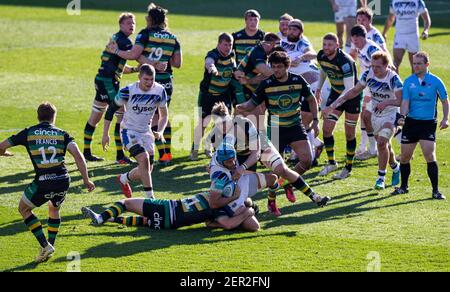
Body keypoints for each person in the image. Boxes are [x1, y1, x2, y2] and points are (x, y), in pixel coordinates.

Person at [0, 103, 95, 263]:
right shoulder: (63, 134)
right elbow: (79, 156)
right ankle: (49, 245)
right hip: (63, 180)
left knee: (23, 209)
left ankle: (45, 245)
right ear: (53, 117)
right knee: (54, 208)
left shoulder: (29, 132)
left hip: (43, 181)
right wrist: (86, 179)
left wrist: (5, 153)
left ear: (38, 117)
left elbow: (1, 147)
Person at [107, 3, 182, 166]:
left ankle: (145, 153)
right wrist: (161, 61)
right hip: (167, 82)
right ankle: (166, 154)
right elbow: (177, 63)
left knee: (149, 115)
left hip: (150, 80)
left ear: (151, 19)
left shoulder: (145, 34)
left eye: (148, 17)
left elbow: (134, 54)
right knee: (163, 115)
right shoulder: (173, 38)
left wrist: (117, 52)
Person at [324, 51, 402, 190]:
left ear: (387, 66)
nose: (374, 69)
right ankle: (395, 167)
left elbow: (400, 101)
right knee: (385, 145)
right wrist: (337, 102)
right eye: (372, 66)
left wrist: (386, 103)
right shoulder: (368, 74)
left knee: (382, 143)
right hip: (376, 114)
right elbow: (355, 91)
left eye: (378, 66)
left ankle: (380, 178)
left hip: (391, 114)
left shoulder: (393, 79)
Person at [392, 52, 448, 200]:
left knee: (429, 155)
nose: (415, 66)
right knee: (404, 157)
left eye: (419, 63)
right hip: (411, 123)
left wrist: (445, 119)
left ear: (427, 65)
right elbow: (405, 102)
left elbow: (445, 100)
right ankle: (404, 187)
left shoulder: (436, 81)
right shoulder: (409, 81)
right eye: (414, 63)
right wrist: (402, 117)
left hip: (428, 123)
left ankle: (435, 191)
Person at [83, 12, 138, 163]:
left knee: (96, 115)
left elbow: (121, 66)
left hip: (102, 79)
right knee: (121, 113)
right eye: (128, 23)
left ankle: (86, 152)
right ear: (120, 25)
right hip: (108, 82)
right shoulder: (125, 42)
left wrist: (136, 69)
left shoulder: (115, 39)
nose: (132, 25)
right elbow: (133, 55)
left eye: (133, 23)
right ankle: (120, 155)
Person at [114, 64, 169, 199]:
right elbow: (111, 110)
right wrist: (105, 134)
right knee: (143, 159)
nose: (150, 83)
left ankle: (123, 179)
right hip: (129, 131)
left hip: (146, 132)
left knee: (147, 170)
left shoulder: (160, 90)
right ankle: (150, 198)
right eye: (146, 79)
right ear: (139, 77)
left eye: (152, 79)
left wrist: (160, 131)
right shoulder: (128, 90)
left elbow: (164, 115)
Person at [316, 33, 362, 180]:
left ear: (337, 45)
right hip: (336, 93)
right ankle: (332, 163)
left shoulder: (345, 62)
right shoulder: (322, 56)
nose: (326, 48)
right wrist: (318, 89)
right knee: (327, 129)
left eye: (329, 45)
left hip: (352, 97)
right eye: (324, 44)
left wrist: (332, 106)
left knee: (349, 133)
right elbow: (324, 70)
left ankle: (348, 167)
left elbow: (349, 90)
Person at [280, 19, 326, 165]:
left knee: (303, 120)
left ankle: (305, 156)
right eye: (290, 29)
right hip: (295, 88)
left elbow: (313, 53)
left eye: (295, 29)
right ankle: (316, 145)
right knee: (297, 121)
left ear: (300, 32)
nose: (292, 31)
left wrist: (301, 57)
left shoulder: (302, 42)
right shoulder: (282, 42)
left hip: (312, 85)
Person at [190, 33, 236, 161]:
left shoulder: (232, 55)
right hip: (207, 96)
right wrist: (212, 68)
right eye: (225, 45)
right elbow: (209, 62)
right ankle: (194, 149)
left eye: (230, 45)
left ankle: (209, 145)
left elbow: (234, 68)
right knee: (203, 123)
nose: (228, 48)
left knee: (225, 123)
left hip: (223, 96)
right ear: (219, 44)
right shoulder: (213, 54)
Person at [349, 25, 382, 160]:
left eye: (358, 38)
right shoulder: (361, 48)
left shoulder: (370, 48)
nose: (355, 41)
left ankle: (373, 148)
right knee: (365, 116)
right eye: (353, 38)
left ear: (364, 37)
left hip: (378, 87)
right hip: (368, 86)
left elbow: (383, 59)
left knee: (379, 117)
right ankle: (367, 147)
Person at [383, 0, 431, 73]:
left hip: (413, 36)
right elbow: (390, 19)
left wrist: (426, 30)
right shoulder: (394, 2)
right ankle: (396, 84)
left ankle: (414, 84)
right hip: (399, 36)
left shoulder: (418, 1)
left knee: (415, 65)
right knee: (395, 63)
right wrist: (384, 32)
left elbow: (426, 19)